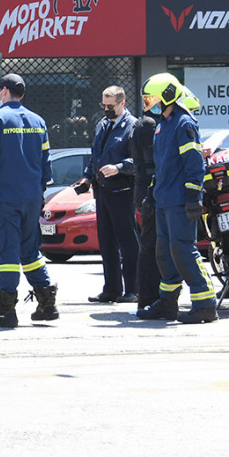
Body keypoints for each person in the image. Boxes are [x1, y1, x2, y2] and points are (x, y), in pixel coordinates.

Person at [0, 73, 56, 328]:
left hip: (7, 197)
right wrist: (40, 193)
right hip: (31, 197)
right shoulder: (38, 122)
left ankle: (5, 309)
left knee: (7, 250)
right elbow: (45, 163)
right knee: (30, 251)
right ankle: (47, 303)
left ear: (4, 91)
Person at [137, 73, 217, 323]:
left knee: (183, 250)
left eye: (152, 99)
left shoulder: (184, 123)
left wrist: (194, 196)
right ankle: (168, 303)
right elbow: (162, 166)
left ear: (168, 94)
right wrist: (151, 194)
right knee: (164, 253)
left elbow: (194, 164)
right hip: (164, 200)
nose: (150, 104)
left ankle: (205, 304)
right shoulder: (163, 124)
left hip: (180, 201)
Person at [76, 86, 139, 304]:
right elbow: (96, 157)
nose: (106, 109)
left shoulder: (133, 126)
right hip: (102, 191)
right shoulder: (102, 125)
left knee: (127, 241)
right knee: (106, 242)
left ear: (122, 103)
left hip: (121, 190)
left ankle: (134, 289)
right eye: (103, 105)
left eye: (110, 106)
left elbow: (139, 161)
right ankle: (111, 289)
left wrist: (119, 167)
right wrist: (86, 178)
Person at [129, 106, 161, 311]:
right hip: (151, 191)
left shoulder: (140, 123)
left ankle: (148, 296)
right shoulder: (149, 125)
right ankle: (150, 297)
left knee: (150, 245)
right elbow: (153, 162)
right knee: (152, 246)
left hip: (144, 190)